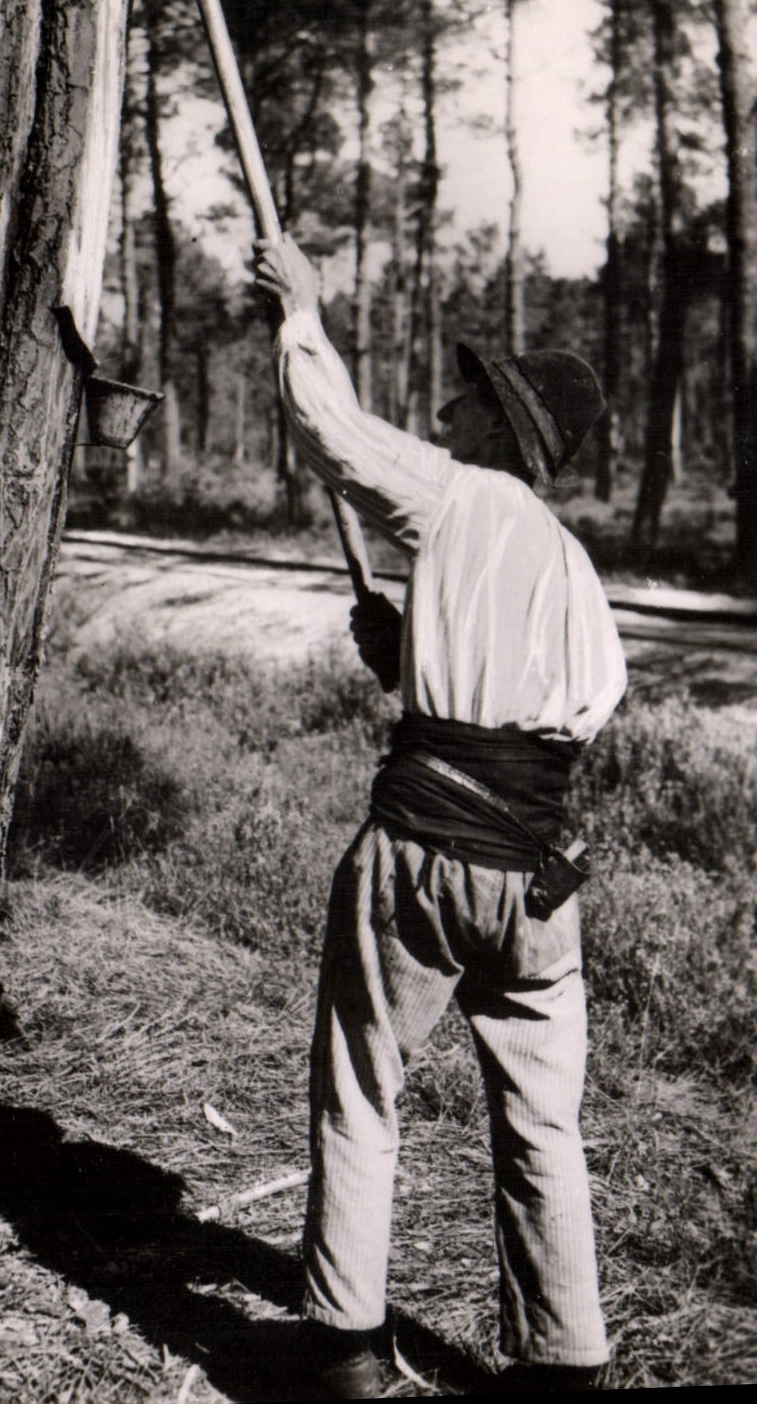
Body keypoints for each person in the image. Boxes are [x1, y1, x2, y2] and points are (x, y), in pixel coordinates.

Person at [254, 234, 627, 1399]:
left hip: (422, 858)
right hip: (538, 884)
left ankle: (346, 1349)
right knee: (542, 1126)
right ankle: (563, 1364)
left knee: (363, 1088)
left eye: (465, 397)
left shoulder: (458, 493)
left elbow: (333, 432)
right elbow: (532, 730)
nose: (446, 408)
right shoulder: (573, 571)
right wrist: (403, 657)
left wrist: (302, 311)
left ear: (497, 427)